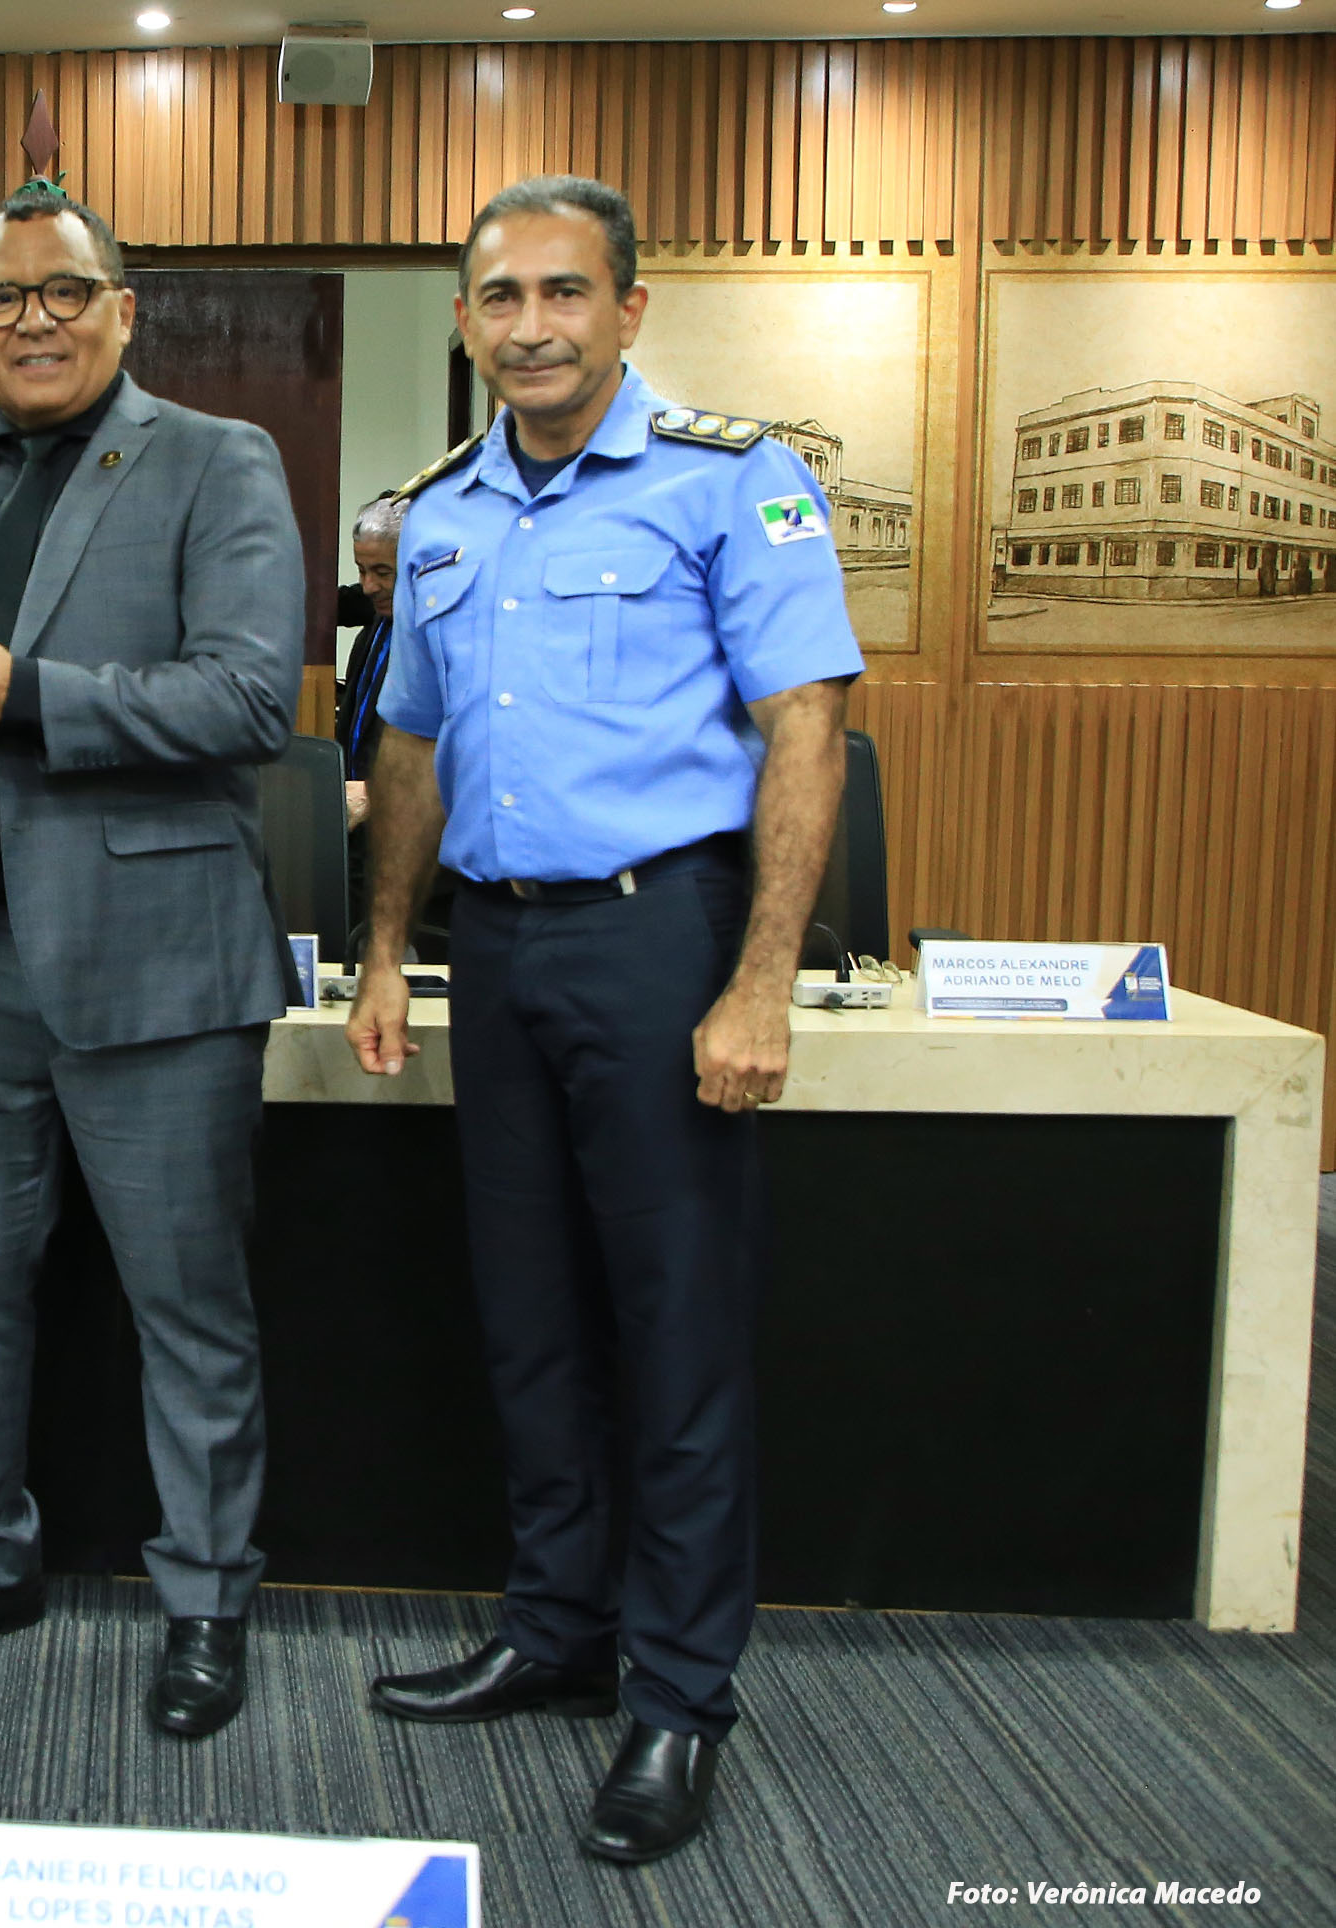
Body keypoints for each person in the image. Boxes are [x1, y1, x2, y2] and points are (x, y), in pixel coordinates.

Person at [348, 173, 861, 1863]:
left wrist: (760, 977)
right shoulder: (440, 511)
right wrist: (383, 949)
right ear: (462, 322)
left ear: (627, 308)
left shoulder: (732, 479)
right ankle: (554, 1629)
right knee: (528, 1318)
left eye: (563, 292)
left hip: (659, 942)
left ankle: (678, 1695)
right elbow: (407, 743)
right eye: (499, 297)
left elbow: (806, 724)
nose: (532, 326)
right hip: (493, 953)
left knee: (673, 1328)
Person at [0, 182, 303, 1740]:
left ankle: (204, 1599)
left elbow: (247, 699)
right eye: (1, 299)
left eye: (64, 292)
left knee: (188, 1306)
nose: (32, 320)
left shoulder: (216, 460)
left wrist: (22, 690)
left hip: (156, 968)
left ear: (122, 309)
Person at [335, 494, 405, 930]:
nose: (368, 586)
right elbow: (330, 603)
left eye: (382, 572)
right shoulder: (378, 611)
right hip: (358, 835)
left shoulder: (450, 636)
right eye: (361, 570)